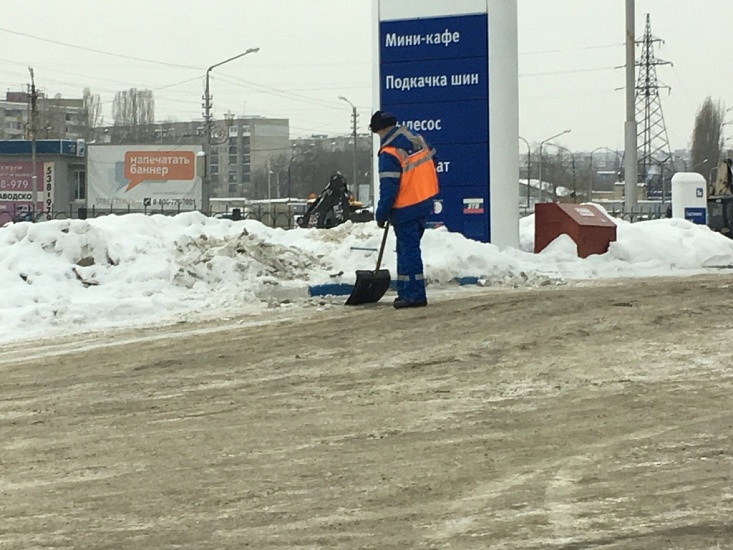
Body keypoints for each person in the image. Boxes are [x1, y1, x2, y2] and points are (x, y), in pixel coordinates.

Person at [370, 110, 439, 309]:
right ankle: (405, 291)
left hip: (406, 206)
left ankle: (414, 295)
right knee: (407, 248)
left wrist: (382, 213)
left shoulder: (390, 151)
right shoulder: (416, 138)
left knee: (408, 251)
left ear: (381, 129)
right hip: (424, 201)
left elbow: (389, 188)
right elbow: (433, 159)